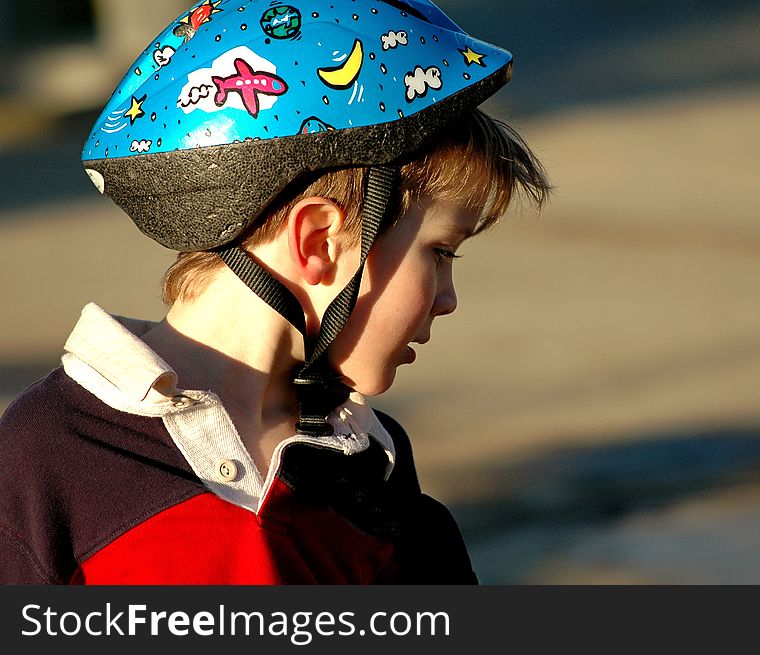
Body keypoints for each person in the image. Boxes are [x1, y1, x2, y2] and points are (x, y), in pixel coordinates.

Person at [0, 0, 549, 583]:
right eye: (439, 254)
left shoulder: (368, 460)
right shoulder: (47, 466)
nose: (448, 298)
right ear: (319, 241)